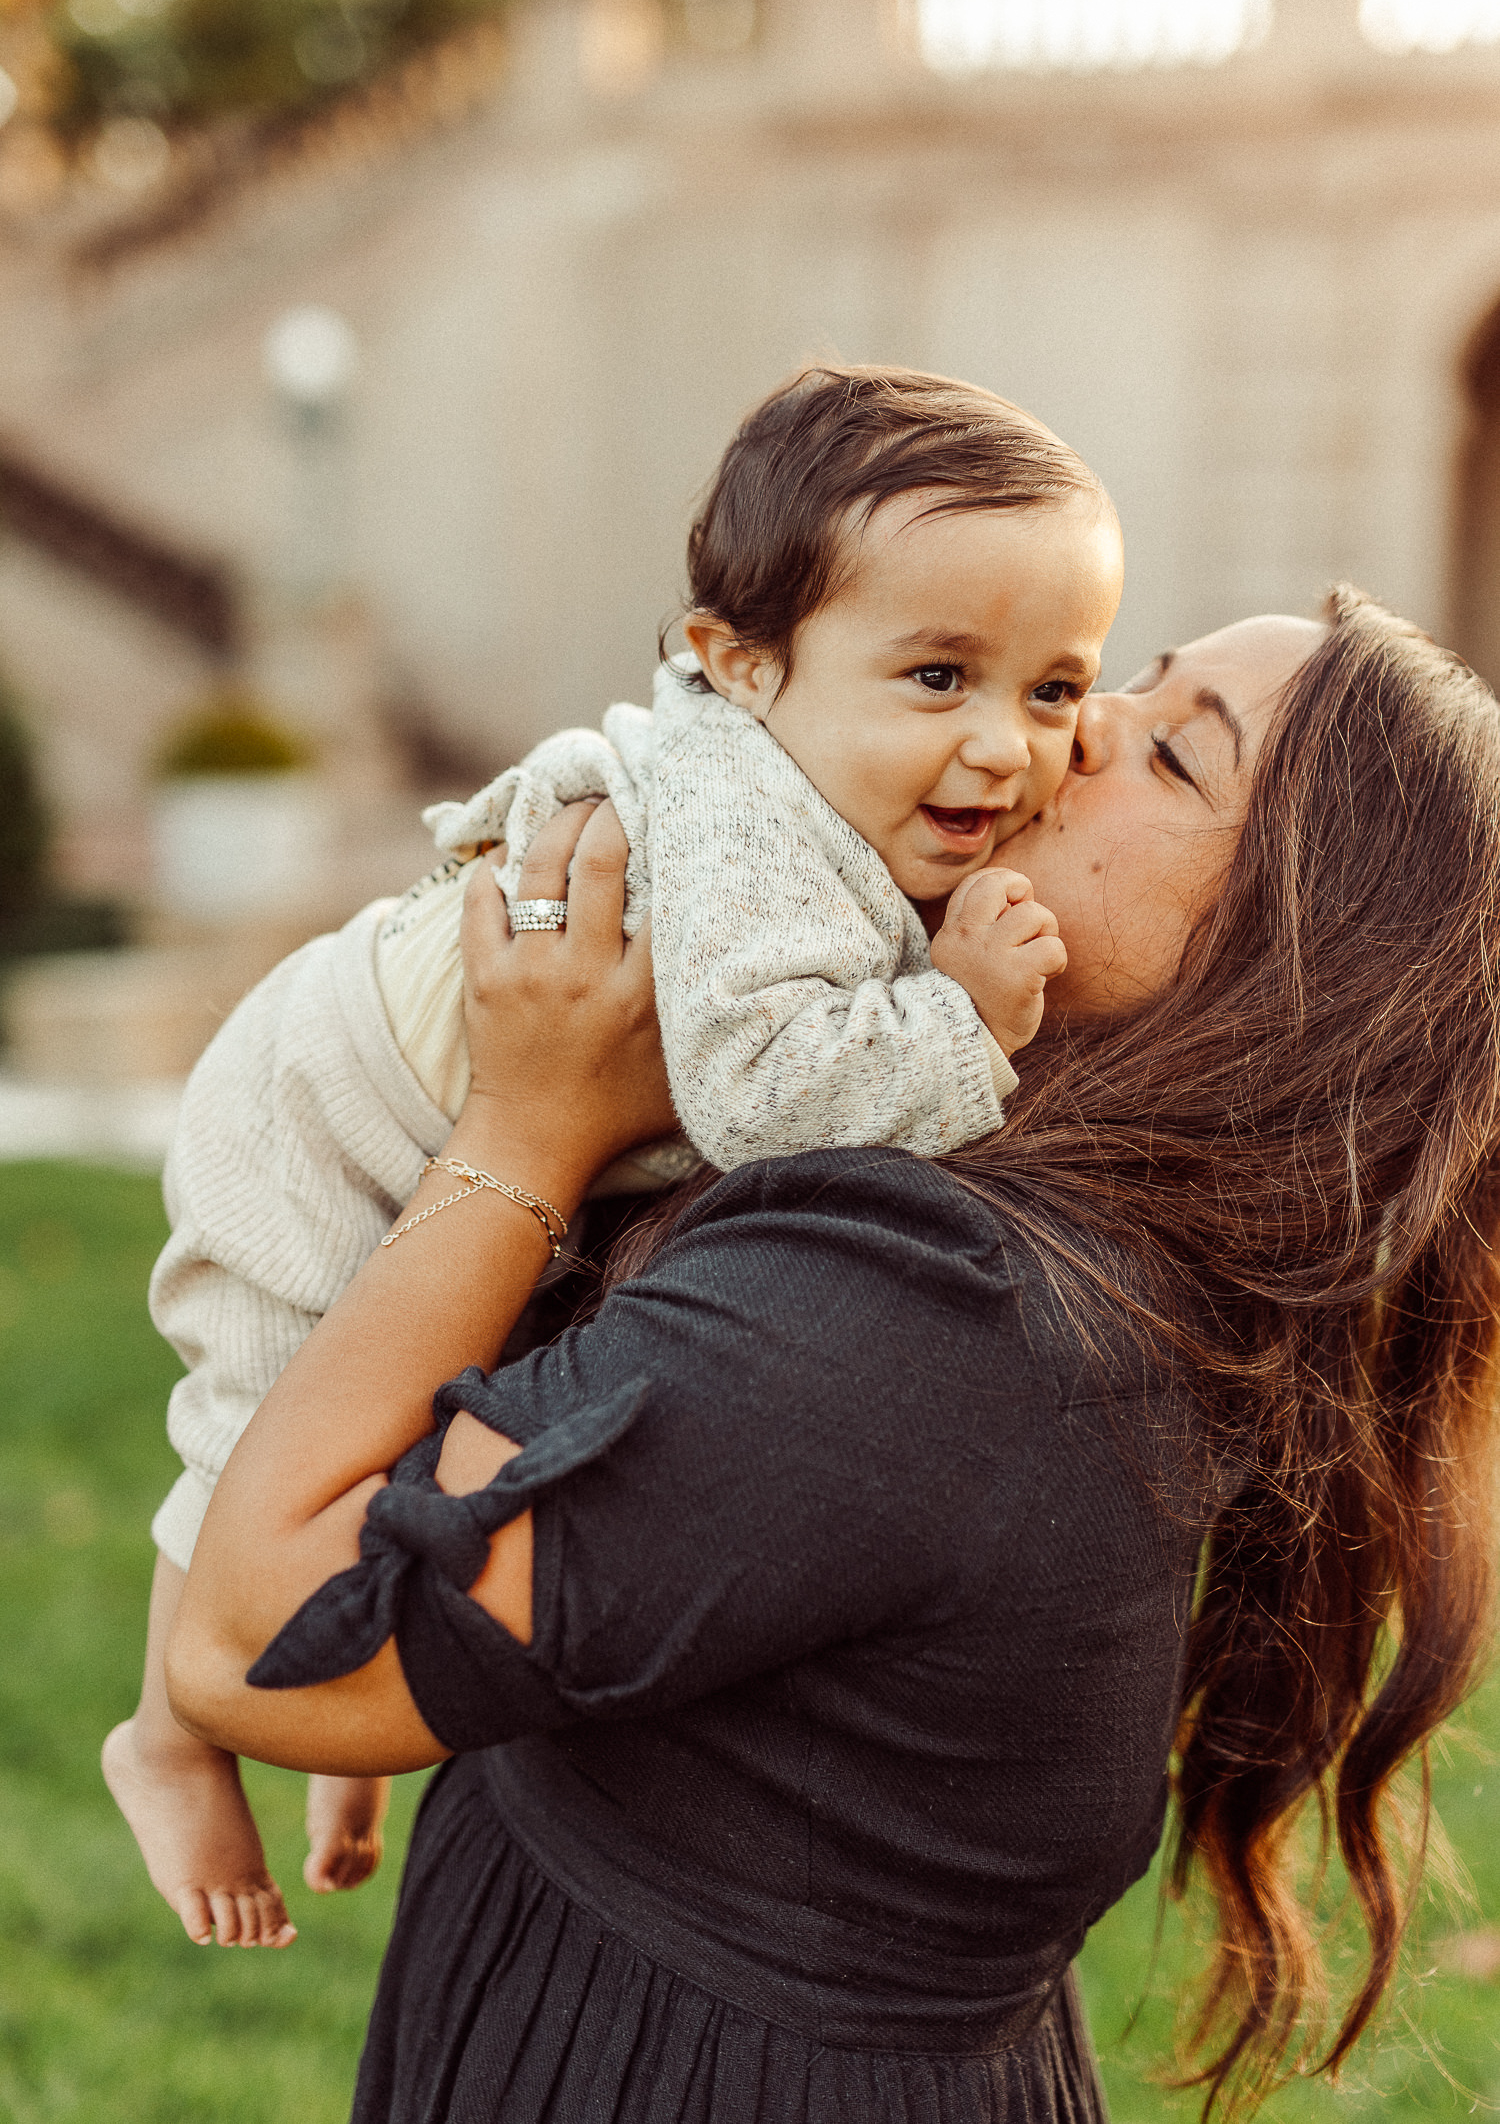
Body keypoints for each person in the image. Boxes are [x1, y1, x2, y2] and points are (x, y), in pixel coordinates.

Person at [166, 590, 1500, 2121]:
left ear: (1291, 983)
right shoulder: (989, 1183)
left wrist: (525, 1126)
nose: (1080, 726)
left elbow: (261, 1640)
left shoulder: (929, 1311)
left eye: (1177, 758)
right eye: (1131, 678)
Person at [104, 363, 1124, 1946]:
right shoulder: (747, 828)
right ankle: (169, 1736)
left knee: (391, 1422)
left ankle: (343, 1738)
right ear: (739, 664)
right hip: (318, 1092)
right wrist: (961, 1016)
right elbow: (759, 1097)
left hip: (440, 1095)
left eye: (1054, 691)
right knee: (258, 1418)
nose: (1006, 746)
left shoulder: (827, 795)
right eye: (938, 678)